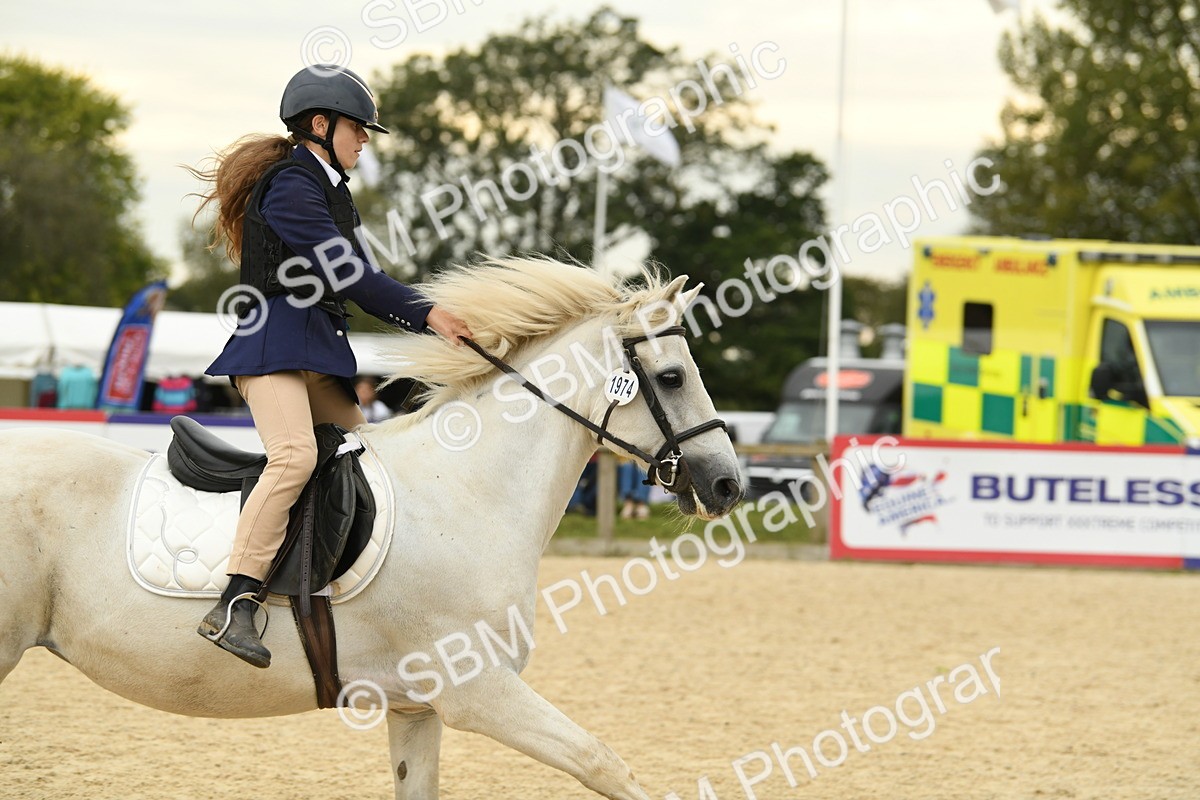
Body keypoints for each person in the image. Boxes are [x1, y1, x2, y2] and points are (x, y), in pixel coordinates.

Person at [189, 65, 473, 668]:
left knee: (373, 461)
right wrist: (430, 315)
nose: (365, 139)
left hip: (317, 351)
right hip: (272, 347)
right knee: (294, 456)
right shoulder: (292, 185)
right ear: (321, 125)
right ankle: (236, 603)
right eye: (358, 128)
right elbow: (351, 275)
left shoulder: (332, 190)